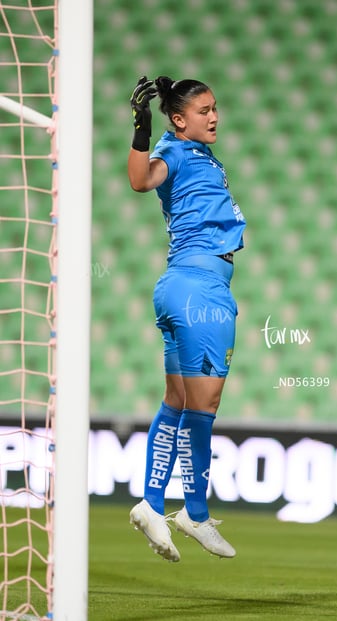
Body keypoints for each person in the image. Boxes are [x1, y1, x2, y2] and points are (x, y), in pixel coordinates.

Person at [128, 75, 246, 562]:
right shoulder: (173, 149)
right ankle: (193, 511)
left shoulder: (199, 154)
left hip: (182, 284)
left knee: (177, 400)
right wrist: (140, 125)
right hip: (200, 288)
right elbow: (140, 180)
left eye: (215, 107)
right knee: (204, 404)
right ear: (179, 119)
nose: (214, 116)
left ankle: (153, 504)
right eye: (204, 111)